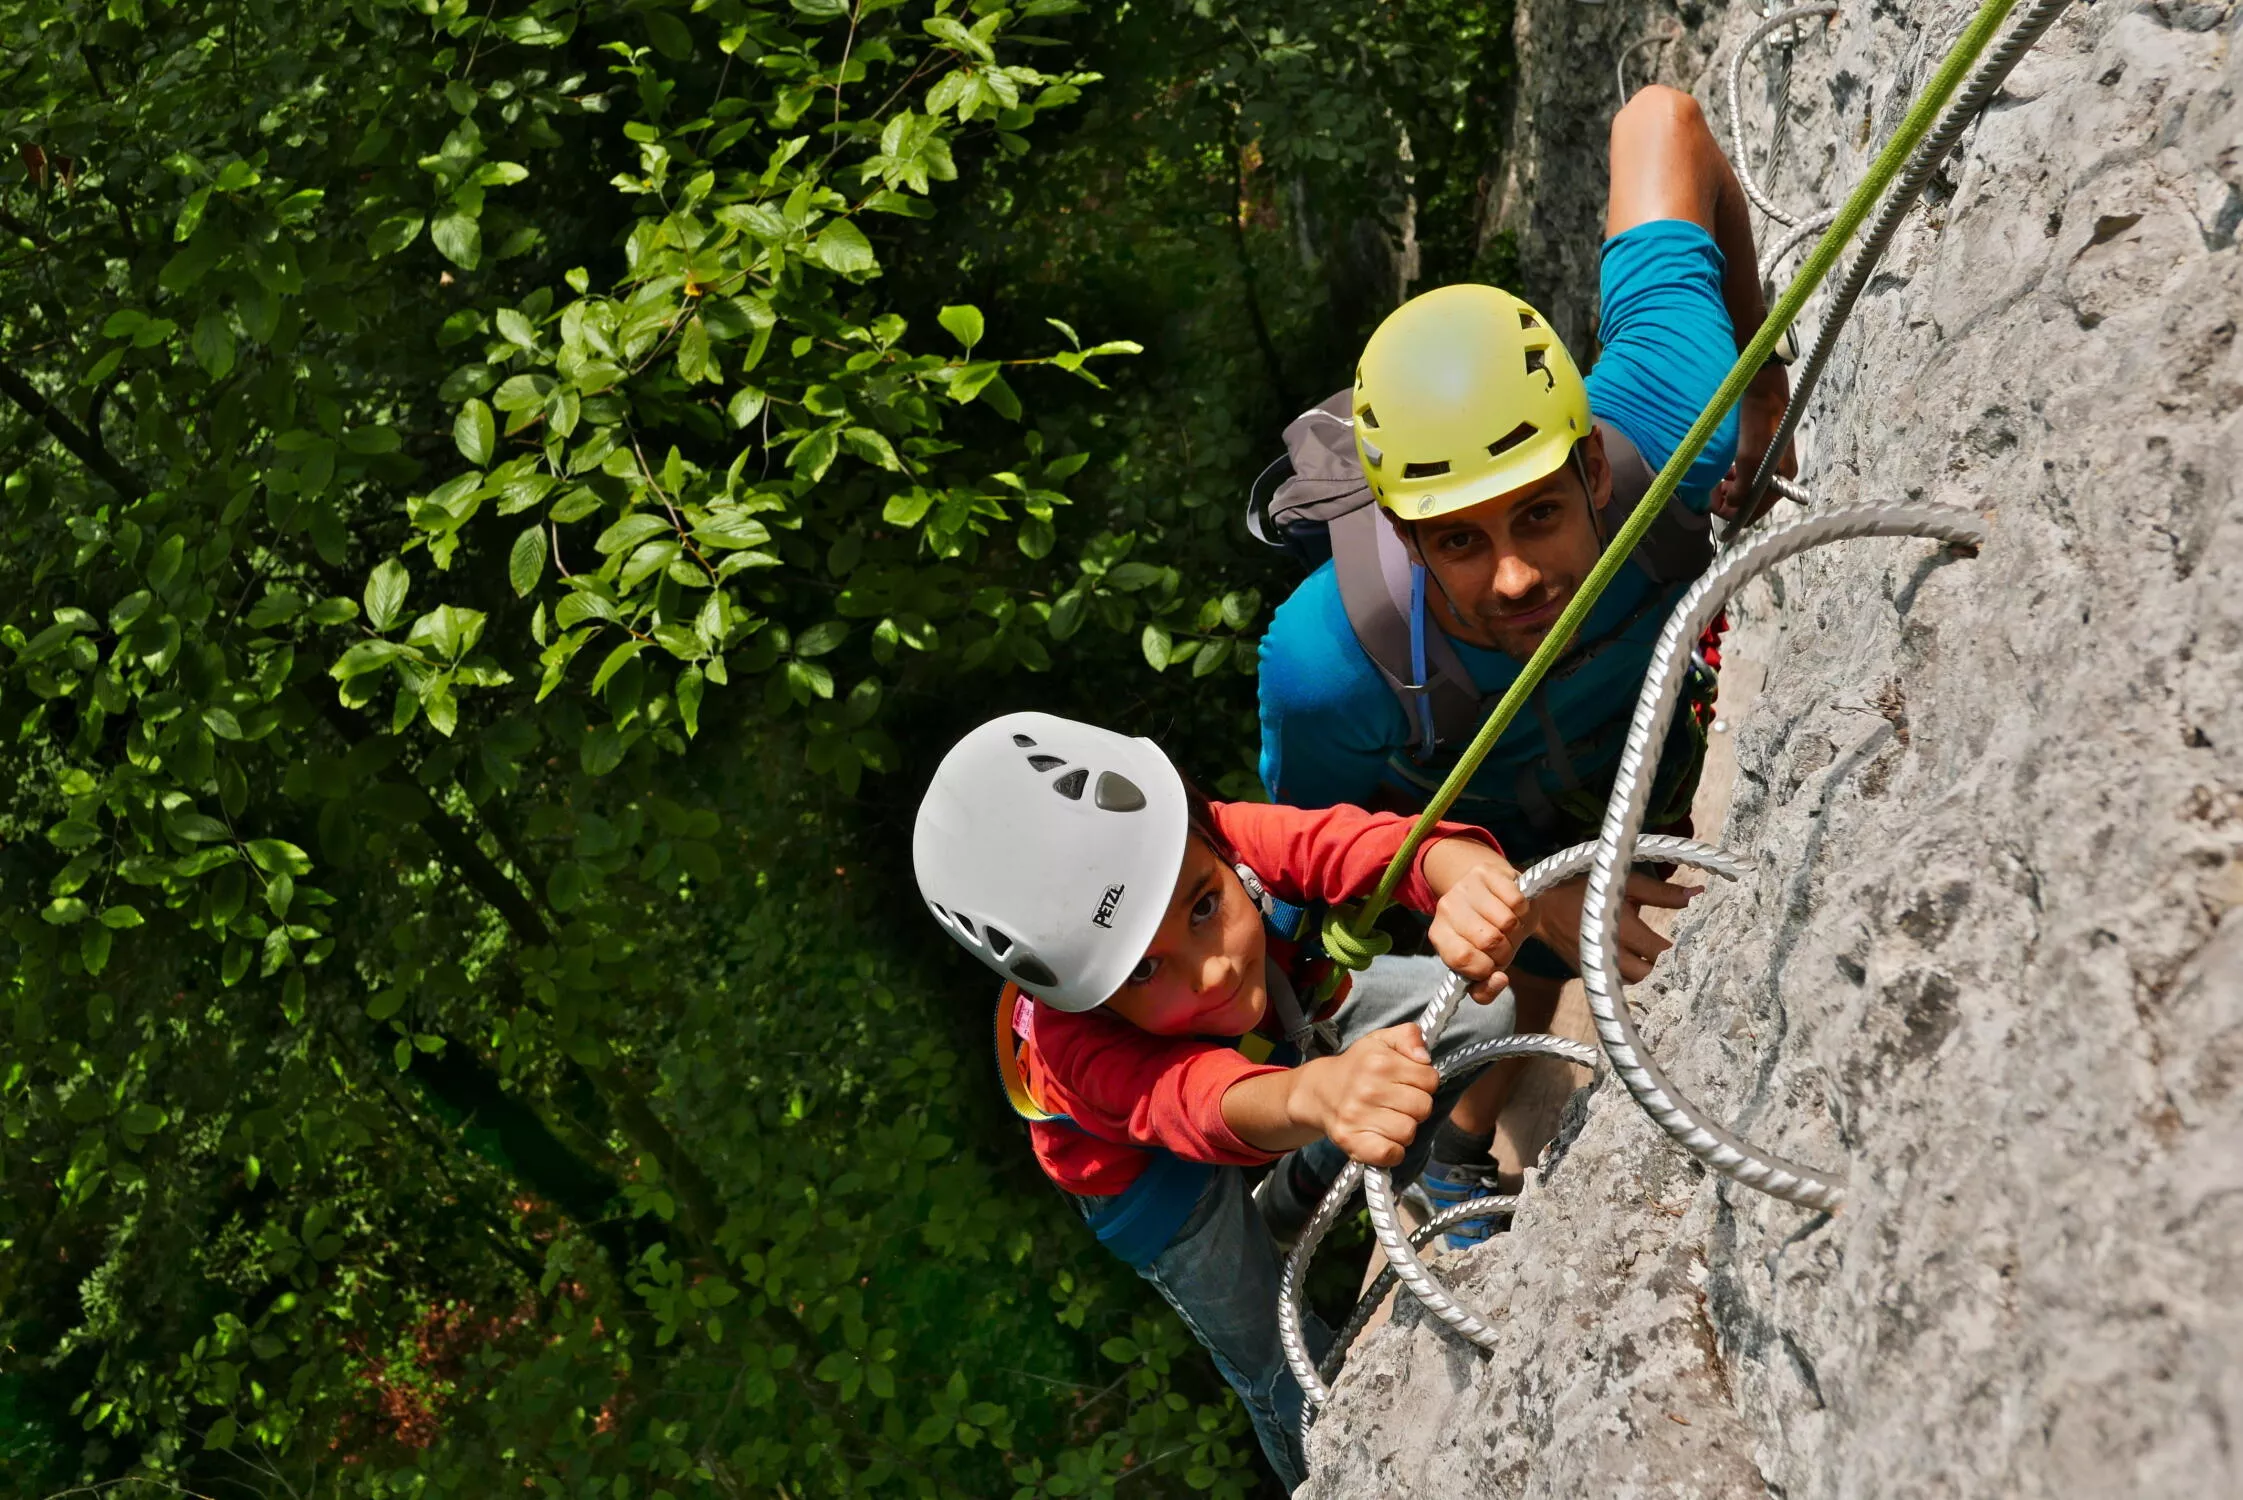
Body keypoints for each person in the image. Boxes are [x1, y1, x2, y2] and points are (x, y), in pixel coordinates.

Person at [1255, 87, 1799, 1226]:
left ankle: (1464, 1121)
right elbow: (1316, 855)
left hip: (1644, 745)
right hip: (1490, 828)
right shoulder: (1332, 658)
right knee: (1514, 930)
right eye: (1458, 541)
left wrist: (1759, 401)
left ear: (1590, 476)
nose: (1511, 577)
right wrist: (1512, 893)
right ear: (1403, 535)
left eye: (1537, 518)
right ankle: (1451, 1138)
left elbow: (1663, 122)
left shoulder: (1667, 431)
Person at [913, 710, 1540, 1488]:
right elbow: (1191, 1101)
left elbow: (1350, 845)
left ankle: (1303, 1192)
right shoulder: (1077, 1046)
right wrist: (1316, 1091)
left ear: (1201, 833)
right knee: (1289, 1371)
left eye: (1204, 906)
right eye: (1141, 972)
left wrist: (1458, 873)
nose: (1207, 971)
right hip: (1143, 1176)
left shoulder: (1220, 841)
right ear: (1086, 999)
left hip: (1281, 1021)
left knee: (1479, 1012)